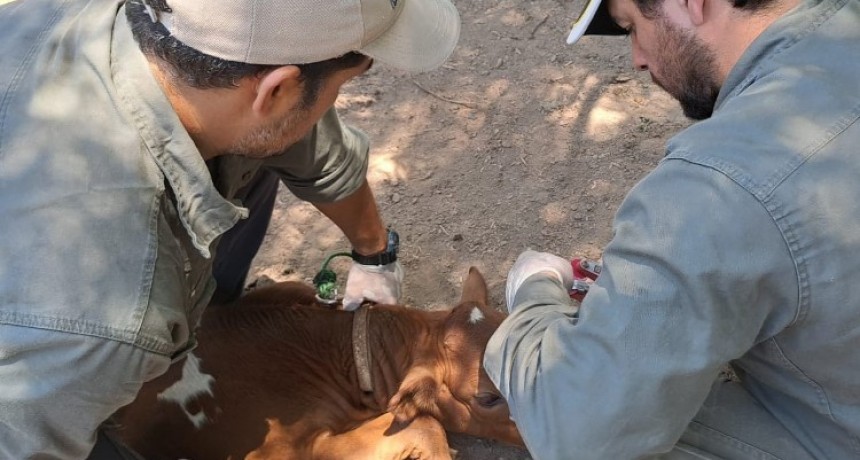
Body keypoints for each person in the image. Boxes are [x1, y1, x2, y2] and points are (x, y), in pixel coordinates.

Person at [0, 0, 460, 457]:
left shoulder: (130, 27)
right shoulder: (106, 319)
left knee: (259, 148)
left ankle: (205, 325)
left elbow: (316, 152)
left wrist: (373, 252)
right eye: (340, 85)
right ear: (275, 90)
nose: (332, 104)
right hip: (28, 406)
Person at [484, 0, 860, 458]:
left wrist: (534, 291)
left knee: (606, 410)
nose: (637, 58)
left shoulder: (721, 182)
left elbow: (577, 433)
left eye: (632, 27)